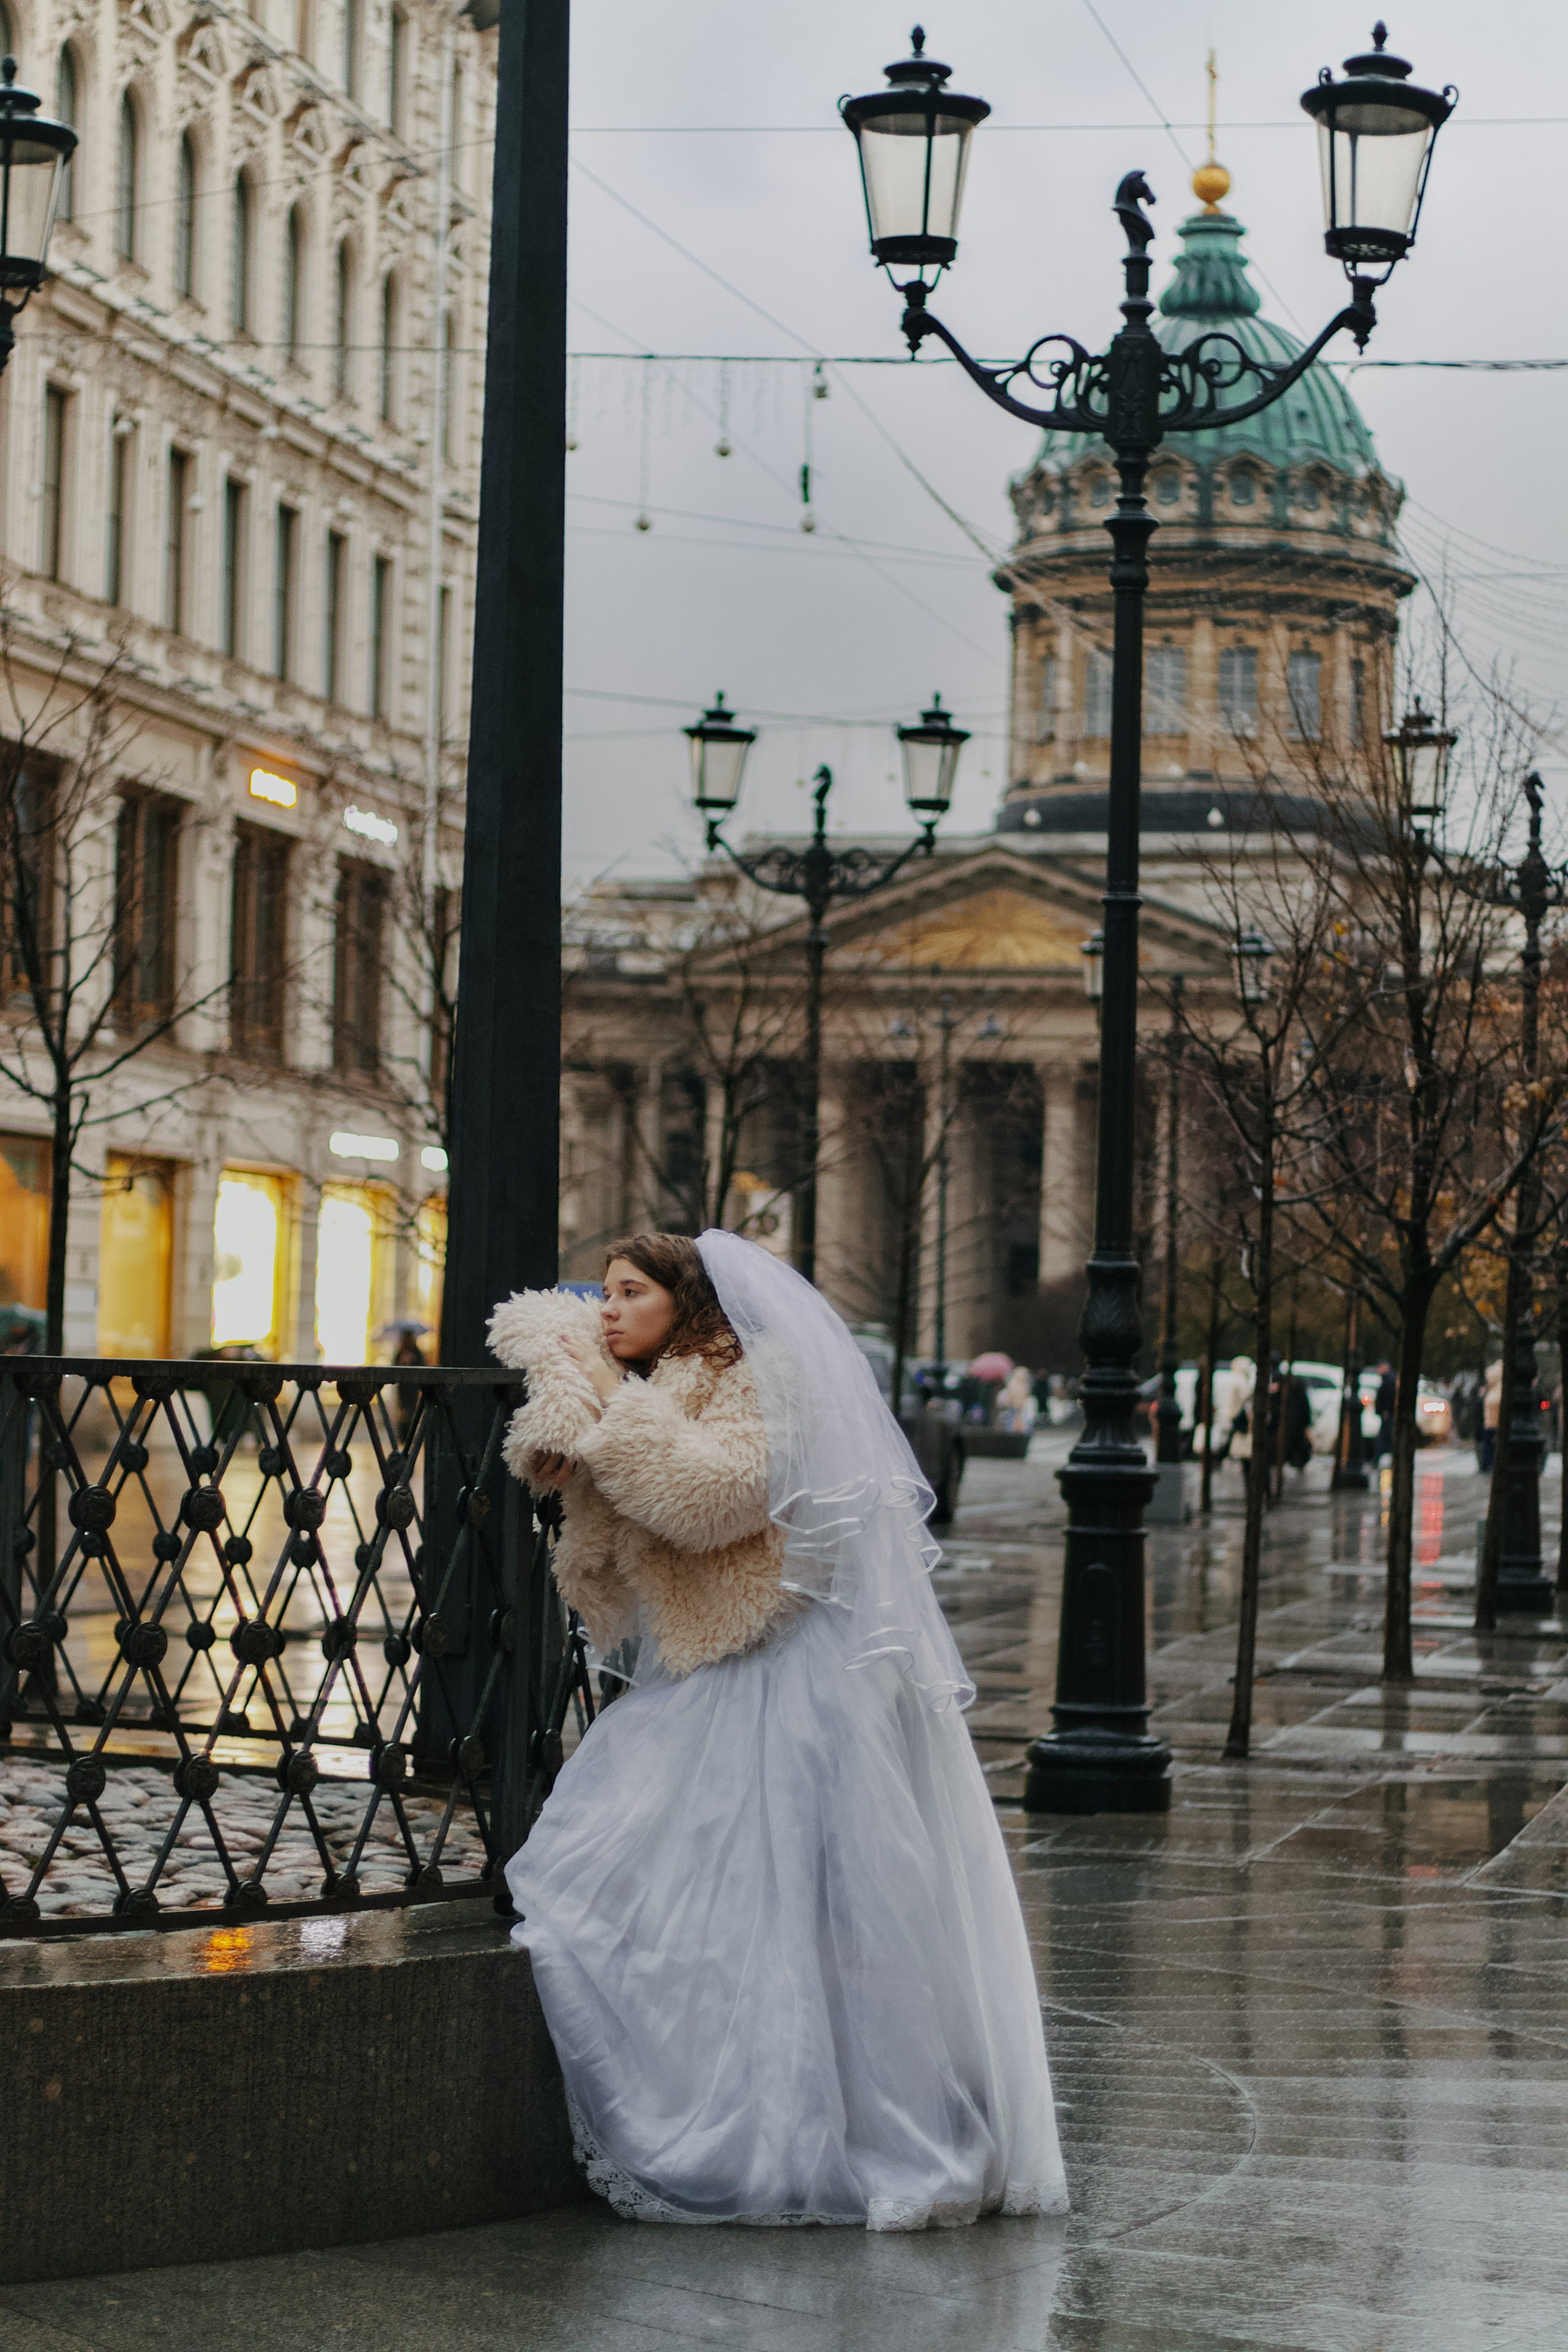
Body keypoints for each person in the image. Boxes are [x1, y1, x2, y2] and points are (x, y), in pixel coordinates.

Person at [488, 1231, 1067, 2232]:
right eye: (606, 1294)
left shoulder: (767, 1374)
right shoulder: (664, 1371)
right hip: (718, 1658)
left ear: (691, 1300)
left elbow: (711, 1499)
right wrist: (581, 1378)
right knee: (689, 1875)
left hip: (789, 1666)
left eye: (632, 1293)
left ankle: (836, 2131)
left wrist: (605, 1395)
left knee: (802, 1895)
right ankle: (747, 2090)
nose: (609, 1310)